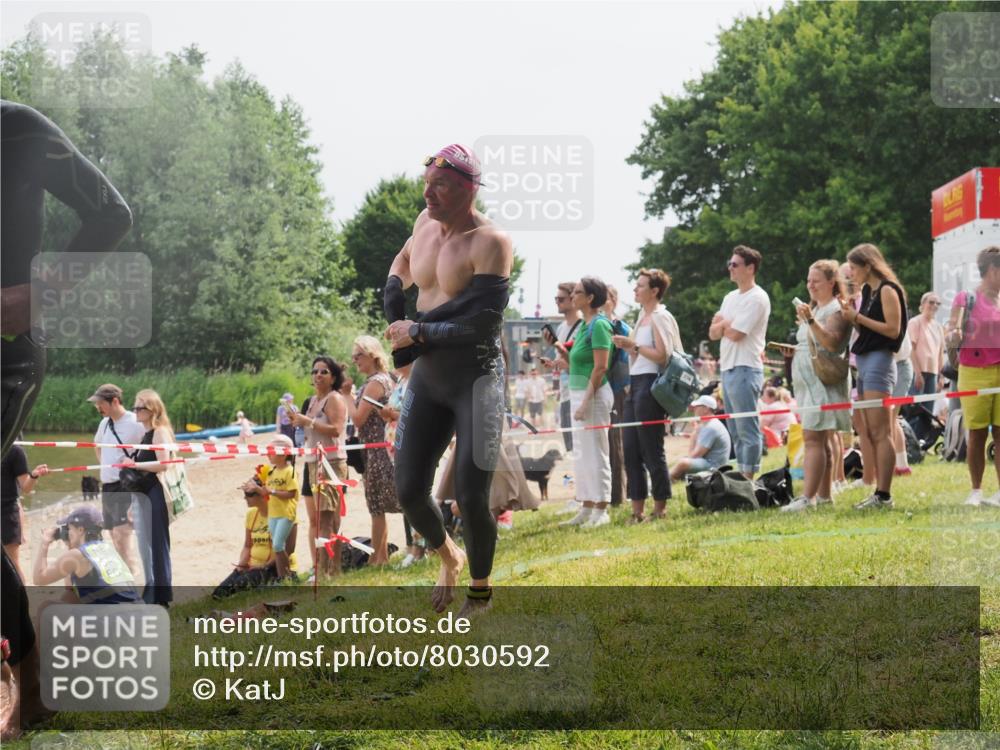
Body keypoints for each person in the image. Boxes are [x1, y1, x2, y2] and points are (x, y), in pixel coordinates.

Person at [1, 100, 131, 740]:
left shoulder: (16, 127)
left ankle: (31, 683)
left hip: (6, 355)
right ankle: (32, 685)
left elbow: (111, 213)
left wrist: (40, 293)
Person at [384, 144, 512, 613]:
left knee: (471, 495)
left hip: (476, 378)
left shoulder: (491, 241)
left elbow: (481, 322)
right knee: (409, 492)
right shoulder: (423, 223)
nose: (428, 194)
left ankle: (480, 592)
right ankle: (447, 557)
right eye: (426, 184)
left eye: (440, 187)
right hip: (429, 377)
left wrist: (416, 330)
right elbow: (401, 263)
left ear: (469, 190)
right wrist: (395, 302)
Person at [841, 243, 908, 510]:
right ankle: (879, 491)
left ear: (868, 266)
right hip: (866, 360)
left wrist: (858, 317)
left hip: (881, 359)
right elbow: (869, 328)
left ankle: (884, 493)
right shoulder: (868, 291)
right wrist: (852, 317)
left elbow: (892, 330)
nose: (851, 275)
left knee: (881, 430)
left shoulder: (888, 290)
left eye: (854, 269)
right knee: (870, 429)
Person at [613, 268, 682, 523]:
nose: (635, 290)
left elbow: (663, 355)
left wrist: (634, 346)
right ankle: (637, 509)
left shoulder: (660, 316)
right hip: (635, 383)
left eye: (640, 285)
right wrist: (628, 347)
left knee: (652, 449)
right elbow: (639, 353)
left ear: (654, 290)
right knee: (630, 449)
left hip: (652, 384)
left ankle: (660, 508)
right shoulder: (642, 316)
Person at [783, 260, 851, 512]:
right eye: (808, 280)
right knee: (820, 439)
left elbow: (832, 343)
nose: (810, 285)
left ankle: (807, 497)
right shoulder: (815, 308)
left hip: (824, 383)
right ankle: (824, 496)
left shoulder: (835, 309)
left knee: (813, 438)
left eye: (816, 280)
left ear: (831, 282)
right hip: (808, 384)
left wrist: (810, 321)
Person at [709, 246, 771, 479]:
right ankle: (743, 476)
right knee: (734, 428)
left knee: (747, 427)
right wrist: (726, 325)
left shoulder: (758, 297)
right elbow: (713, 333)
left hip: (746, 368)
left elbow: (736, 334)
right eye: (730, 263)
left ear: (750, 268)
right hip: (727, 368)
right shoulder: (729, 297)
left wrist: (724, 325)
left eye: (735, 264)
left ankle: (748, 479)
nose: (730, 268)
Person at [559, 277, 614, 528]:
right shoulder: (584, 325)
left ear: (590, 298)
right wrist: (564, 363)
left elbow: (601, 367)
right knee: (582, 454)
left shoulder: (600, 325)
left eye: (578, 293)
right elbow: (580, 363)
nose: (572, 296)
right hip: (579, 393)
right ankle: (587, 505)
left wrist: (584, 404)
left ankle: (601, 508)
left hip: (594, 396)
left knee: (597, 452)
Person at [948, 246, 1000, 507]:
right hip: (973, 372)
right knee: (977, 434)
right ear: (992, 271)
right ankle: (977, 490)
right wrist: (954, 334)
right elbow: (953, 325)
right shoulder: (966, 298)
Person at [343, 336, 402, 567]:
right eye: (353, 357)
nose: (355, 361)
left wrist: (347, 394)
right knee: (379, 505)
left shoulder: (375, 382)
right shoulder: (383, 379)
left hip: (379, 452)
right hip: (379, 449)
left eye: (358, 356)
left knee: (377, 506)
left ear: (372, 355)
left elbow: (358, 419)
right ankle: (380, 556)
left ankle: (379, 558)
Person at [290, 356, 348, 580]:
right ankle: (329, 568)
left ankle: (326, 571)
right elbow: (309, 433)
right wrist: (299, 422)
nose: (318, 375)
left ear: (333, 377)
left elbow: (336, 429)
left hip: (331, 462)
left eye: (324, 372)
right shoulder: (313, 400)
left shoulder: (334, 398)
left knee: (328, 518)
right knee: (324, 518)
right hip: (314, 462)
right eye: (315, 371)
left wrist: (309, 422)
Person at [122, 389, 174, 607]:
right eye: (134, 406)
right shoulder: (146, 433)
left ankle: (161, 597)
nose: (135, 411)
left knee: (156, 544)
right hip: (143, 494)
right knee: (146, 545)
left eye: (139, 407)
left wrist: (134, 464)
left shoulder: (159, 432)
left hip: (155, 493)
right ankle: (153, 590)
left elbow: (164, 464)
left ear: (151, 409)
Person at [88, 383, 145, 576]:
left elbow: (150, 449)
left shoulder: (135, 422)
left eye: (100, 403)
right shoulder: (104, 423)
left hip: (125, 485)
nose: (98, 407)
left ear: (114, 401)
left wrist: (133, 464)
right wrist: (107, 466)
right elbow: (97, 446)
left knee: (122, 534)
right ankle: (127, 573)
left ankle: (131, 574)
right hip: (108, 485)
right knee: (113, 534)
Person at [32, 504, 139, 604]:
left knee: (45, 607)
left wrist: (45, 543)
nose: (67, 533)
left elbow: (39, 579)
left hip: (115, 618)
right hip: (135, 613)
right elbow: (70, 589)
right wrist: (70, 546)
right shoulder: (107, 549)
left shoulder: (78, 555)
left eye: (69, 528)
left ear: (80, 530)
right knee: (70, 597)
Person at [245, 435, 299, 580]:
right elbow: (265, 492)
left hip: (286, 513)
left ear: (283, 453)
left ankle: (287, 577)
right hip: (273, 513)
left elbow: (292, 493)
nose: (268, 454)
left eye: (272, 451)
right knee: (278, 547)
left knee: (278, 545)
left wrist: (272, 492)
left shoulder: (290, 471)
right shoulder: (271, 472)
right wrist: (256, 488)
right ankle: (283, 578)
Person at [541, 282, 583, 456]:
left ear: (573, 299)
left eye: (561, 298)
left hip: (580, 392)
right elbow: (563, 360)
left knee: (581, 446)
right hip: (565, 393)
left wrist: (564, 362)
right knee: (570, 446)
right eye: (556, 298)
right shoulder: (560, 327)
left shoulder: (583, 327)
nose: (557, 302)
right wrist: (553, 364)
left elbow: (580, 362)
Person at [603, 285, 631, 507]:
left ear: (613, 300)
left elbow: (626, 361)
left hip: (617, 390)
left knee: (616, 443)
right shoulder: (593, 326)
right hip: (598, 390)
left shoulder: (621, 327)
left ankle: (617, 496)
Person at [0, 446, 48, 578]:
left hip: (6, 513)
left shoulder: (15, 451)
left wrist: (33, 475)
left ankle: (23, 598)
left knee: (12, 564)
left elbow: (26, 487)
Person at [670, 396, 732, 478]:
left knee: (683, 463)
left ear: (706, 409)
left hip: (714, 467)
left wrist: (695, 432)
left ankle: (663, 481)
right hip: (713, 463)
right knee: (682, 461)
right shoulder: (709, 423)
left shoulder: (710, 427)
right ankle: (670, 478)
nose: (694, 409)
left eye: (697, 406)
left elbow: (694, 456)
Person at [908, 292, 946, 410]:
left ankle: (925, 429)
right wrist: (917, 373)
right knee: (915, 409)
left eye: (937, 303)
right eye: (931, 302)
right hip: (918, 371)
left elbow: (940, 353)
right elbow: (911, 349)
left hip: (933, 373)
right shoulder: (915, 322)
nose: (934, 305)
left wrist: (941, 376)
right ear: (923, 304)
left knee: (928, 411)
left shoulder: (938, 327)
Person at [891, 328, 915, 476]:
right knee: (891, 420)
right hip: (895, 366)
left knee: (890, 419)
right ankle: (901, 465)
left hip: (899, 366)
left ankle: (899, 465)